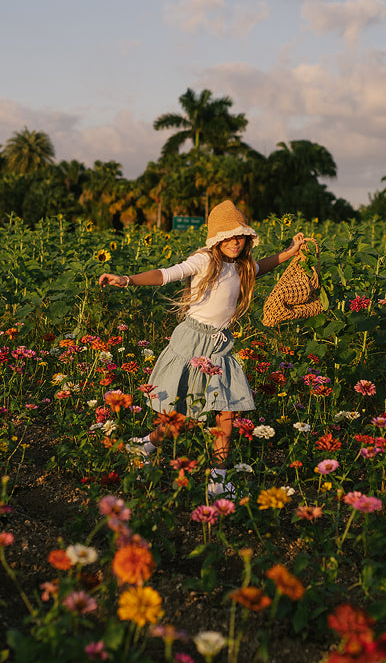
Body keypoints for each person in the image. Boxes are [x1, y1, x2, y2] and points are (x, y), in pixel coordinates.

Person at [98, 200, 309, 496]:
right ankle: (146, 443)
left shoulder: (243, 266)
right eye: (230, 236)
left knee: (227, 412)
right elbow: (166, 273)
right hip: (192, 342)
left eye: (241, 237)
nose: (236, 242)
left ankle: (218, 481)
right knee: (182, 417)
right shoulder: (203, 261)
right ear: (217, 239)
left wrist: (289, 252)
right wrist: (127, 280)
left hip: (220, 346)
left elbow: (263, 266)